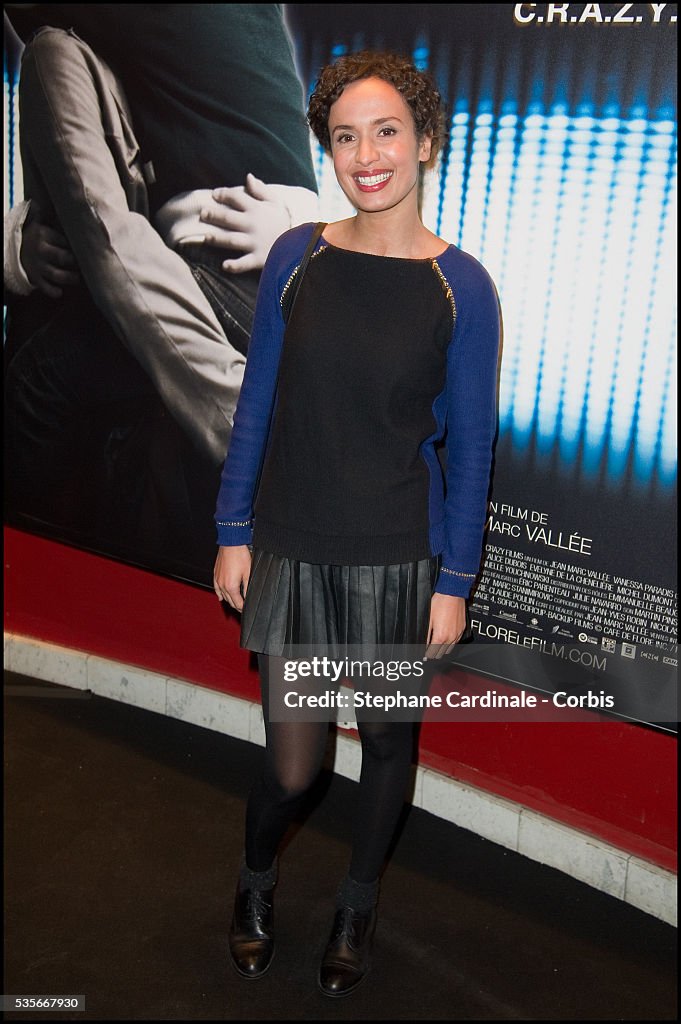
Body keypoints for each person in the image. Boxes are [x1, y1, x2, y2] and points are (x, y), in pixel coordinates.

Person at [213, 51, 501, 996]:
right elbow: (256, 402)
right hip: (292, 547)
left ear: (424, 143)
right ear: (328, 152)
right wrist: (232, 528)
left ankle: (355, 907)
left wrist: (452, 584)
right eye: (344, 136)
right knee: (293, 770)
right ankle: (255, 881)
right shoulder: (299, 255)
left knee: (384, 744)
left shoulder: (463, 287)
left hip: (395, 559)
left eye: (385, 132)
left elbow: (471, 454)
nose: (365, 154)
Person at [3, 4, 318, 568]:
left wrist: (249, 435)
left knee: (39, 379)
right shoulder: (229, 43)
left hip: (231, 276)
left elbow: (112, 237)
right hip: (284, 278)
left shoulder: (68, 46)